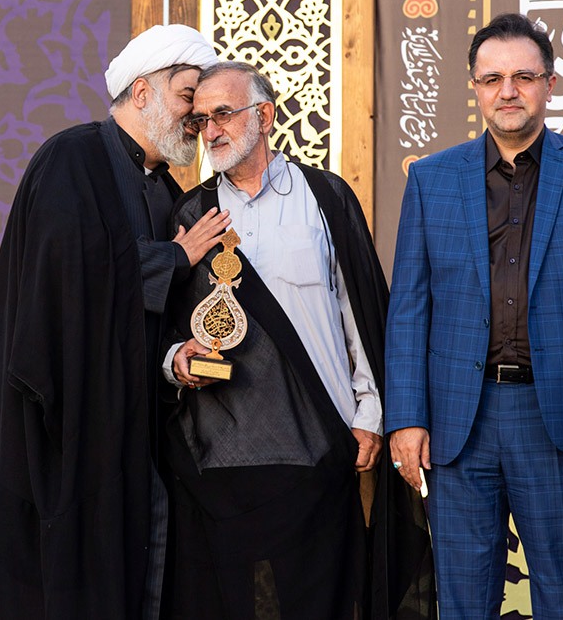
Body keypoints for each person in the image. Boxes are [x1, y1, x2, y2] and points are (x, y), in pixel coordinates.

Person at [0, 24, 233, 620]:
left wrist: (173, 357)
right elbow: (67, 278)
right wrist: (172, 258)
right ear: (141, 92)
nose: (196, 121)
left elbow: (137, 320)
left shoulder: (163, 191)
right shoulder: (73, 157)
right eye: (186, 99)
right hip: (54, 432)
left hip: (122, 433)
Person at [384, 13, 563, 619]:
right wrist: (406, 417)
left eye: (523, 77)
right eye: (493, 79)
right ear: (475, 88)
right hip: (457, 420)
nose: (508, 91)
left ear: (549, 85)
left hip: (555, 417)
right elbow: (409, 311)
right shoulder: (430, 180)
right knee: (463, 601)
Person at [162, 62, 434, 620]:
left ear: (264, 116)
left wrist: (370, 413)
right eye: (200, 120)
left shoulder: (325, 198)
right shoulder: (192, 213)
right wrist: (175, 359)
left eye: (223, 114)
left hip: (318, 449)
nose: (210, 131)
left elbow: (360, 316)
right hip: (222, 461)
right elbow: (162, 327)